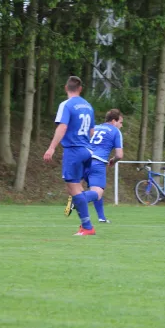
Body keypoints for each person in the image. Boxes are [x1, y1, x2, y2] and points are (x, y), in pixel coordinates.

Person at [44, 76, 100, 236]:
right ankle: (85, 222)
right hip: (87, 150)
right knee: (77, 187)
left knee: (73, 188)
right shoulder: (88, 106)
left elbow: (62, 127)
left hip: (74, 150)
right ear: (80, 89)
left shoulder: (66, 105)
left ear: (65, 88)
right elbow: (91, 131)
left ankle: (88, 227)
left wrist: (51, 148)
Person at [65, 109, 124, 223]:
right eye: (120, 122)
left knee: (94, 189)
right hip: (97, 163)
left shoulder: (94, 127)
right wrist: (113, 160)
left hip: (83, 159)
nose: (121, 126)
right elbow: (119, 155)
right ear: (113, 121)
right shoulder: (115, 131)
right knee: (97, 192)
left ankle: (101, 218)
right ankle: (77, 199)